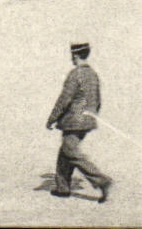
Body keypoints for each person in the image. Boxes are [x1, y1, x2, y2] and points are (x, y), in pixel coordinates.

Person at [46, 43, 113, 203]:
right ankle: (62, 187)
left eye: (72, 55)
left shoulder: (75, 74)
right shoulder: (93, 74)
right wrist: (92, 116)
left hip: (73, 120)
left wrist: (52, 118)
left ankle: (101, 180)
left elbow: (64, 100)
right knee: (66, 151)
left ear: (75, 56)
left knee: (71, 151)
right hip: (87, 118)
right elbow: (97, 100)